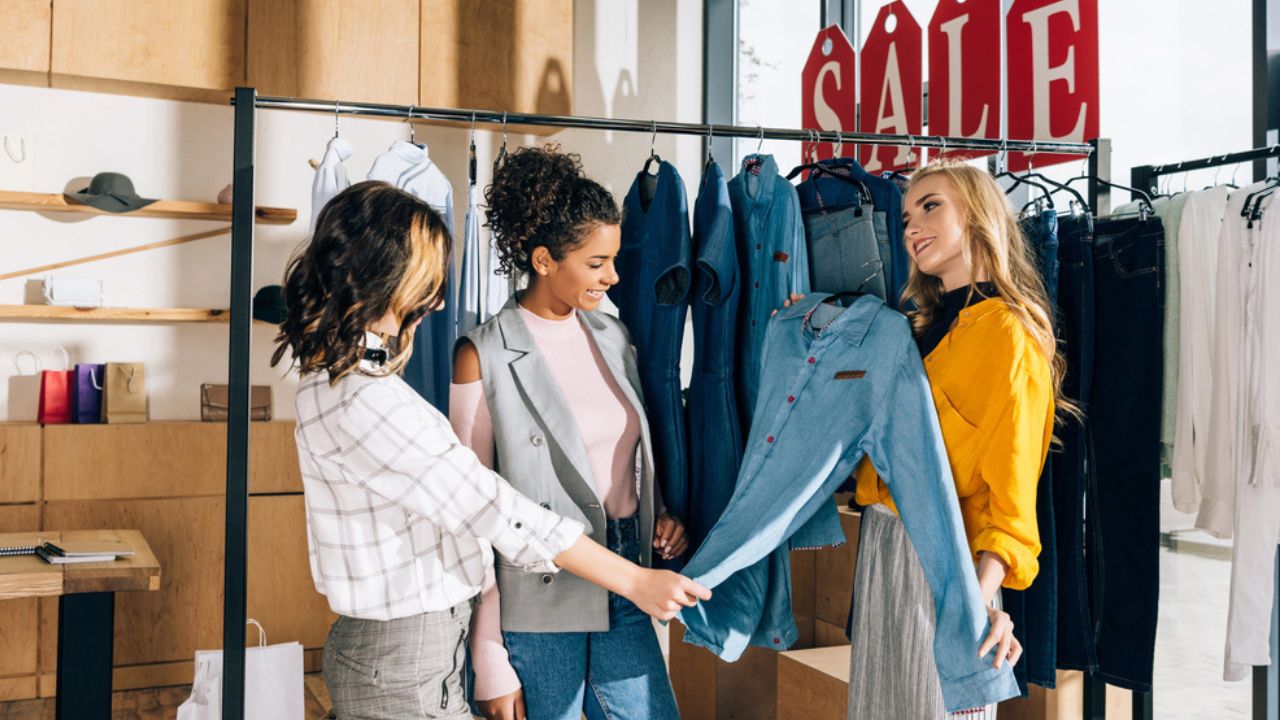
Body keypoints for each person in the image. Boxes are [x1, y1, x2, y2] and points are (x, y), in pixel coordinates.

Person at [271, 180, 709, 720]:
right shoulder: (371, 398)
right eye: (425, 281)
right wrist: (633, 582)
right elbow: (497, 512)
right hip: (424, 648)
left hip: (431, 643)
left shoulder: (358, 384)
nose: (433, 301)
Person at [451, 145, 687, 720]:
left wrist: (656, 514)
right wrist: (489, 655)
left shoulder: (613, 335)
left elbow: (617, 457)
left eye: (613, 259)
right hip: (539, 597)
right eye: (597, 263)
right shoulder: (480, 355)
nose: (614, 275)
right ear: (544, 260)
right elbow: (468, 516)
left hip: (627, 572)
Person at [846, 160, 1064, 719]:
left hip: (946, 558)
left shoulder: (1008, 333)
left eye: (931, 205)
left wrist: (977, 602)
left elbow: (1010, 499)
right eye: (906, 215)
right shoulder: (914, 327)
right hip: (883, 546)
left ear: (978, 213)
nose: (911, 225)